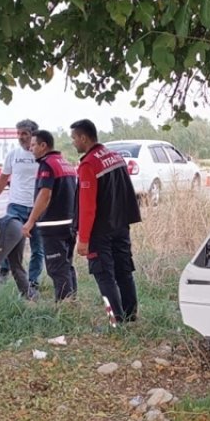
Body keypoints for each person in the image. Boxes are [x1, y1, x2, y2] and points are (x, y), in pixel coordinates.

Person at [70, 119, 142, 323]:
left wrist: (83, 239)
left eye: (74, 138)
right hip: (120, 226)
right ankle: (130, 316)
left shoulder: (88, 164)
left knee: (104, 276)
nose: (73, 143)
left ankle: (115, 321)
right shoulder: (115, 157)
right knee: (124, 271)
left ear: (84, 138)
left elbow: (87, 207)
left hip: (99, 231)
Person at [22, 130, 78, 302]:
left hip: (53, 226)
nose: (30, 149)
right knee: (66, 266)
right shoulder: (65, 163)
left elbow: (44, 195)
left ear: (43, 145)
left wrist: (30, 221)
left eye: (33, 145)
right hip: (69, 224)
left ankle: (64, 307)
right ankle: (72, 302)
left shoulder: (47, 165)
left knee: (57, 269)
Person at [0, 119, 43, 290]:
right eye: (18, 133)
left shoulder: (42, 156)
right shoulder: (13, 155)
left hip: (37, 208)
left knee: (38, 247)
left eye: (24, 134)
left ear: (33, 135)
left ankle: (32, 282)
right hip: (16, 206)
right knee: (7, 241)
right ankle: (4, 271)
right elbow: (3, 177)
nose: (20, 137)